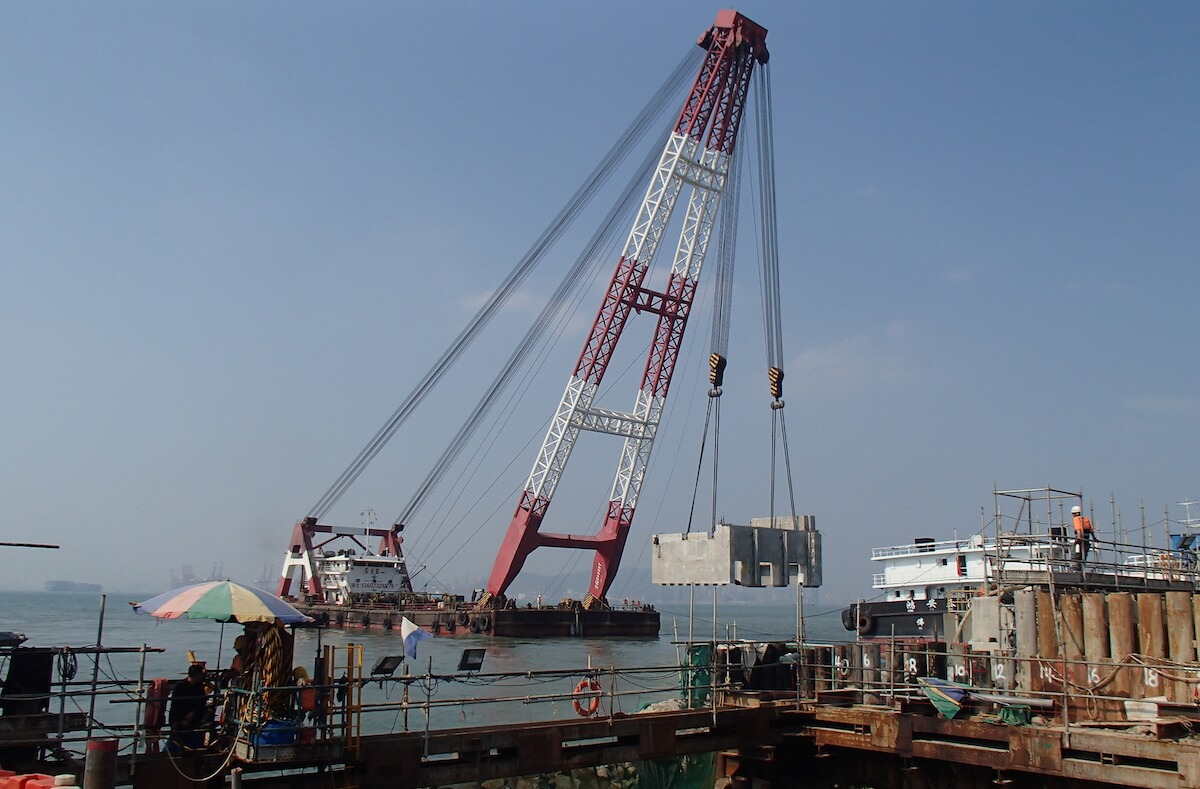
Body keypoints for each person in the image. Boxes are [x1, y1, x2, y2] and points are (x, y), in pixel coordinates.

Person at [167, 664, 209, 752]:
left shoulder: (199, 687)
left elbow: (201, 703)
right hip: (179, 719)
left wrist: (193, 714)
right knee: (176, 740)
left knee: (195, 738)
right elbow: (176, 705)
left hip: (194, 718)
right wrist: (184, 719)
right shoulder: (180, 686)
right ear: (196, 675)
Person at [1072, 505, 1094, 570]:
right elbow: (1091, 530)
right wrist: (1094, 538)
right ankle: (1081, 567)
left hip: (1081, 539)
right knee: (1084, 555)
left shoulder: (1076, 519)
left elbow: (1078, 529)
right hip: (1087, 539)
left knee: (1077, 554)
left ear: (1076, 513)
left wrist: (1078, 538)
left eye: (1073, 513)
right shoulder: (1086, 519)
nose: (1072, 515)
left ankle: (1077, 567)